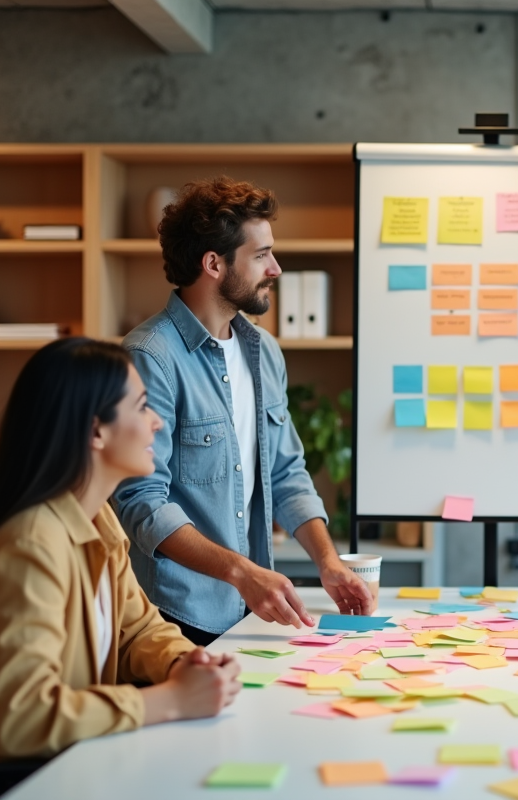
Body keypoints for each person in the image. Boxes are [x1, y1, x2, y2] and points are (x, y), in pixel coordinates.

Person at [0, 339, 240, 778]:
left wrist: (181, 661)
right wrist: (170, 701)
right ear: (96, 431)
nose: (156, 423)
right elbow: (20, 717)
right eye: (143, 407)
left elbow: (137, 629)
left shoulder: (99, 522)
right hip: (12, 783)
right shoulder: (31, 545)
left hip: (73, 763)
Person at [113, 177, 374, 648]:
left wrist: (328, 563)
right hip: (176, 619)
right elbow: (141, 503)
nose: (275, 268)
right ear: (213, 263)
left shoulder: (263, 350)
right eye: (261, 255)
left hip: (247, 610)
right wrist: (241, 572)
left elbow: (286, 470)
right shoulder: (150, 357)